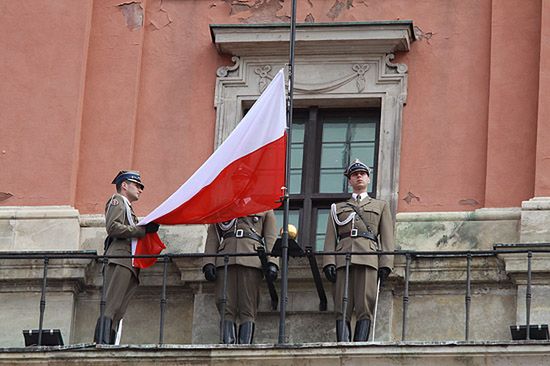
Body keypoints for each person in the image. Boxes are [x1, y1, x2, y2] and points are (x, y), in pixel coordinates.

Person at [323, 159, 394, 342]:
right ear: (350, 181)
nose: (359, 177)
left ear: (368, 179)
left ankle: (359, 345)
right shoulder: (337, 208)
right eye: (355, 175)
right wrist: (329, 262)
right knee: (342, 305)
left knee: (365, 304)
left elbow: (386, 237)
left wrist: (386, 263)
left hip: (368, 258)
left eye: (362, 174)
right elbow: (330, 238)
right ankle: (343, 345)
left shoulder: (380, 206)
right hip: (343, 258)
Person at [93, 170, 160, 344]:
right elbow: (113, 227)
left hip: (128, 261)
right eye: (137, 185)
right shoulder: (117, 201)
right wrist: (141, 230)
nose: (140, 189)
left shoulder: (128, 207)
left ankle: (110, 342)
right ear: (124, 185)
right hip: (119, 258)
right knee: (111, 305)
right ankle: (102, 343)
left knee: (118, 309)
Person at [203, 211, 278, 344]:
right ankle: (228, 344)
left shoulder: (264, 205)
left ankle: (245, 344)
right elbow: (213, 235)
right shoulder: (226, 204)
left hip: (251, 257)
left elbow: (271, 237)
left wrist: (273, 262)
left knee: (248, 306)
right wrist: (209, 262)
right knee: (224, 303)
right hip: (225, 258)